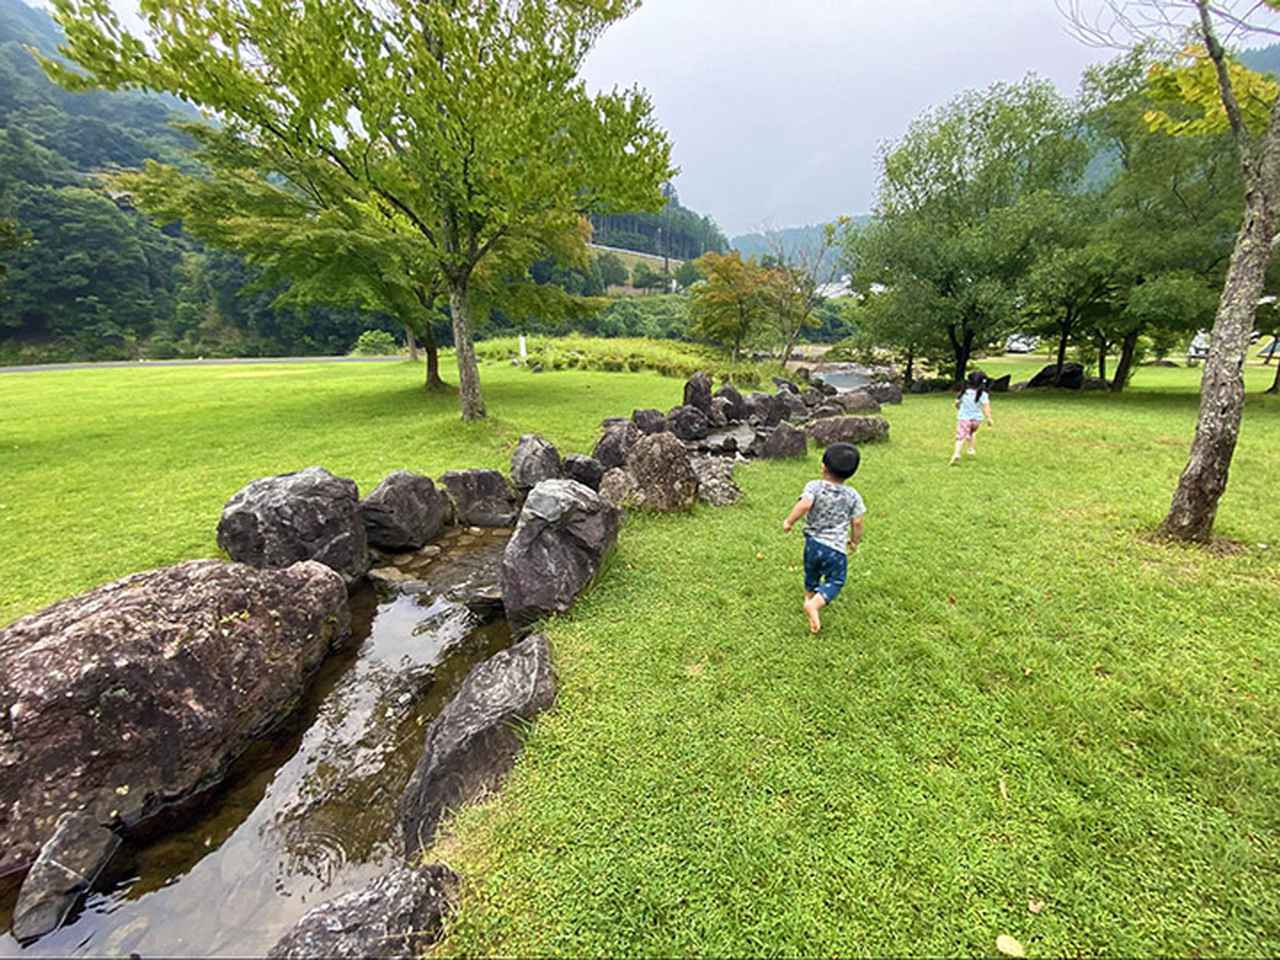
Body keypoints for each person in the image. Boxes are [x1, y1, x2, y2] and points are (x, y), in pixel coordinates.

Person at [782, 442, 866, 634]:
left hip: (812, 544)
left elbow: (804, 505)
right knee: (836, 580)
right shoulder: (853, 495)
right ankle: (815, 605)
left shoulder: (814, 486)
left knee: (811, 573)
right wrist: (854, 542)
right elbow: (858, 522)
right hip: (835, 549)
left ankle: (809, 598)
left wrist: (789, 522)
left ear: (823, 466)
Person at [951, 370, 995, 465]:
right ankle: (971, 449)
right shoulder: (983, 394)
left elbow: (957, 403)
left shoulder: (964, 392)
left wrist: (958, 407)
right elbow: (986, 407)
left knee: (960, 437)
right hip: (977, 420)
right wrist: (989, 418)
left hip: (964, 418)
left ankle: (957, 453)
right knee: (972, 432)